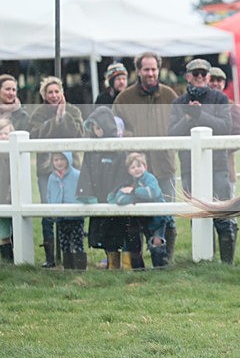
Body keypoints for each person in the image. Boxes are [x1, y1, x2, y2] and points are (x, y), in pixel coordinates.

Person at [112, 51, 179, 262]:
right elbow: (117, 129)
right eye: (146, 69)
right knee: (136, 216)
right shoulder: (124, 99)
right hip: (136, 169)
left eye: (153, 69)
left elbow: (179, 126)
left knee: (168, 215)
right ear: (138, 71)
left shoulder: (169, 95)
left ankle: (165, 260)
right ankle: (137, 261)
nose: (150, 73)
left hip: (164, 165)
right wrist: (134, 140)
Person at [168, 58, 236, 264]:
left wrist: (200, 115)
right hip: (190, 168)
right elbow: (172, 135)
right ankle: (204, 261)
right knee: (197, 215)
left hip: (218, 166)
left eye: (203, 74)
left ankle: (226, 265)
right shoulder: (178, 103)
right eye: (195, 74)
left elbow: (225, 127)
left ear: (208, 76)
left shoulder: (220, 98)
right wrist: (188, 119)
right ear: (188, 76)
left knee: (223, 215)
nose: (199, 77)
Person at [28, 76, 84, 268]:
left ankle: (74, 253)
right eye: (50, 92)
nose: (54, 96)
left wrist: (64, 117)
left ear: (62, 92)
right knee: (47, 209)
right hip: (46, 169)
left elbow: (78, 134)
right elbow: (34, 135)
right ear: (44, 95)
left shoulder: (74, 111)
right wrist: (55, 120)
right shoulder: (38, 114)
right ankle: (50, 256)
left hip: (71, 169)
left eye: (56, 92)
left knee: (73, 208)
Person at [76, 106, 131, 269]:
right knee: (105, 233)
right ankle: (112, 263)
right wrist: (86, 193)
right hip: (99, 196)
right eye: (93, 128)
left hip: (115, 197)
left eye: (99, 127)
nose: (96, 131)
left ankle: (128, 265)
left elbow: (123, 173)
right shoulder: (91, 150)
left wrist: (117, 191)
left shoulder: (120, 150)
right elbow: (85, 172)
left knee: (120, 231)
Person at [108, 152, 170, 268]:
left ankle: (161, 268)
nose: (136, 169)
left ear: (145, 167)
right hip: (142, 219)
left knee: (157, 242)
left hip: (158, 217)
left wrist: (133, 192)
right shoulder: (128, 182)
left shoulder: (150, 178)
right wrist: (137, 194)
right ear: (129, 171)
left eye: (139, 166)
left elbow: (152, 192)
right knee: (139, 242)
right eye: (133, 167)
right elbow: (120, 199)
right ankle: (139, 269)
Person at [46, 151, 86, 270]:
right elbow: (49, 194)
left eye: (62, 159)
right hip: (61, 217)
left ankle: (80, 269)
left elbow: (82, 193)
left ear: (68, 159)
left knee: (78, 242)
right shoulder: (52, 177)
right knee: (64, 243)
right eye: (56, 160)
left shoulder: (77, 175)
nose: (59, 162)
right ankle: (68, 268)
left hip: (76, 216)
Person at [208, 66, 240, 195]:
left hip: (226, 168)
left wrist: (219, 148)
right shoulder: (198, 105)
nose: (216, 83)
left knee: (226, 211)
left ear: (224, 84)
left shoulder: (232, 106)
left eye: (220, 80)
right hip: (201, 167)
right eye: (212, 79)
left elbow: (239, 133)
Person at [0, 118, 14, 263]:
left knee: (16, 228)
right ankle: (7, 258)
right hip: (1, 198)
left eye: (6, 133)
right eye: (1, 134)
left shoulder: (14, 154)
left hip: (14, 195)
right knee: (3, 230)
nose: (3, 136)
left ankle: (19, 258)